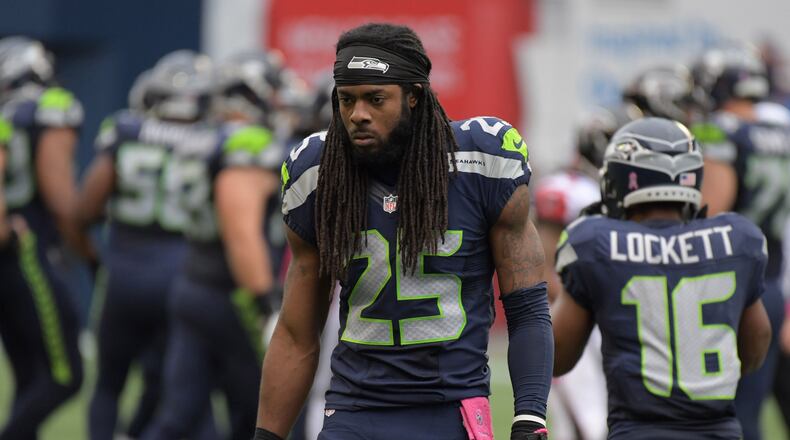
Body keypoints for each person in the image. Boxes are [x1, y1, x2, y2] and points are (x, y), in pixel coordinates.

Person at [255, 22, 553, 440]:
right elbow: (296, 333)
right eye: (347, 100)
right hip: (354, 409)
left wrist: (530, 417)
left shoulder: (482, 163)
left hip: (452, 408)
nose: (358, 114)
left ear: (413, 96)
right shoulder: (317, 176)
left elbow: (527, 309)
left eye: (376, 99)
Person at [552, 117, 772, 439]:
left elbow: (556, 357)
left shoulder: (595, 243)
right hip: (718, 431)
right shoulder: (736, 239)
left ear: (619, 178)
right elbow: (755, 348)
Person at [141, 50, 284, 440]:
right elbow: (241, 232)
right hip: (234, 292)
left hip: (193, 280)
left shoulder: (201, 138)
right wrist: (265, 300)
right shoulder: (248, 143)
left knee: (177, 417)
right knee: (262, 415)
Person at [76, 50, 218, 440]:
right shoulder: (212, 141)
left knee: (108, 384)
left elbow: (86, 207)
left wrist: (93, 255)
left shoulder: (125, 129)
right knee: (182, 392)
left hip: (124, 273)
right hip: (184, 276)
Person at [691, 44, 789, 440]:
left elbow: (710, 213)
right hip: (771, 283)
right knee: (749, 410)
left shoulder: (720, 130)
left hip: (725, 285)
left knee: (719, 414)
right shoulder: (782, 129)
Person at [0, 35, 89, 439]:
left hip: (9, 253)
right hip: (25, 247)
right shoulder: (51, 107)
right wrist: (83, 245)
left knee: (28, 374)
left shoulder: (7, 112)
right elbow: (58, 195)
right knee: (65, 375)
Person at [535, 104, 639, 440]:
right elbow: (542, 260)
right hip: (573, 311)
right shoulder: (567, 189)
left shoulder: (613, 193)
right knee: (585, 421)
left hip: (608, 311)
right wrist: (565, 300)